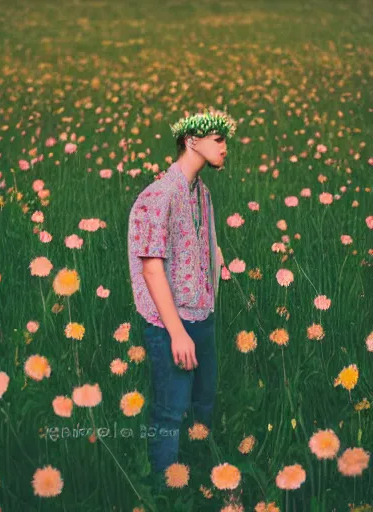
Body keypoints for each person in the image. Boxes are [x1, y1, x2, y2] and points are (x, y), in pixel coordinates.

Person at [127, 108, 236, 493]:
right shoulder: (157, 195)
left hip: (202, 314)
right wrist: (177, 333)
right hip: (170, 324)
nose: (226, 147)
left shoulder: (201, 192)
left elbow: (202, 241)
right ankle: (165, 492)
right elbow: (151, 269)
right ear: (192, 141)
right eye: (219, 140)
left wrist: (217, 262)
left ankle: (200, 482)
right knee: (171, 411)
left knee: (203, 404)